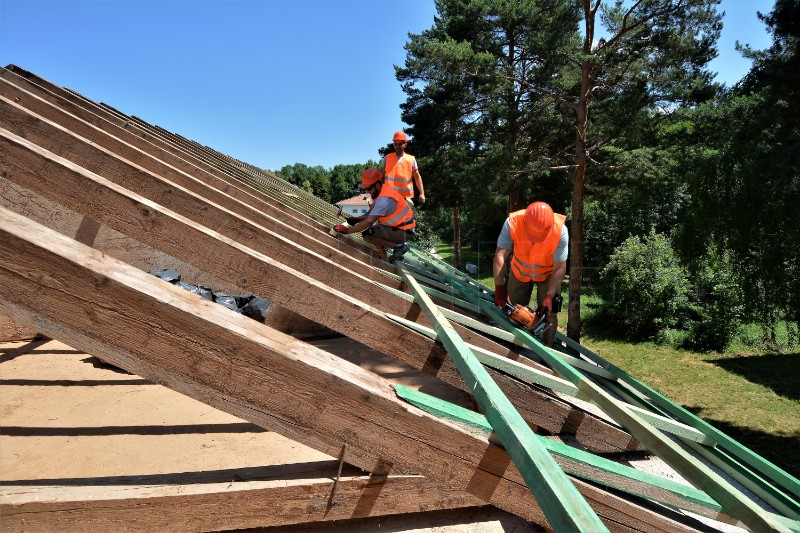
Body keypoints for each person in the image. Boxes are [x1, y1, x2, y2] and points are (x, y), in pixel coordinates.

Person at [492, 201, 568, 347]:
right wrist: (499, 287)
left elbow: (559, 268)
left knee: (549, 312)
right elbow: (500, 255)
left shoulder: (560, 231)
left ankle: (548, 350)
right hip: (520, 271)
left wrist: (549, 296)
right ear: (526, 224)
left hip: (548, 274)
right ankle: (512, 345)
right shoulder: (512, 222)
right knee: (512, 308)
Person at [334, 168, 416, 262]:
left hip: (404, 231)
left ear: (377, 185)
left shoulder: (384, 199)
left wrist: (348, 230)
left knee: (369, 234)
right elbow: (370, 214)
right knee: (375, 230)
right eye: (366, 189)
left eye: (369, 188)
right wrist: (357, 219)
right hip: (398, 228)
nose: (368, 191)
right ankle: (385, 260)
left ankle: (399, 247)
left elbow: (369, 221)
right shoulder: (380, 193)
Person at [379, 131, 426, 205]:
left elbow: (417, 177)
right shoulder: (387, 158)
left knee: (405, 216)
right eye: (396, 144)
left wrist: (422, 193)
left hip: (405, 199)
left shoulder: (411, 159)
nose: (398, 146)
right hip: (389, 197)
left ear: (405, 145)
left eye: (400, 144)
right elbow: (380, 177)